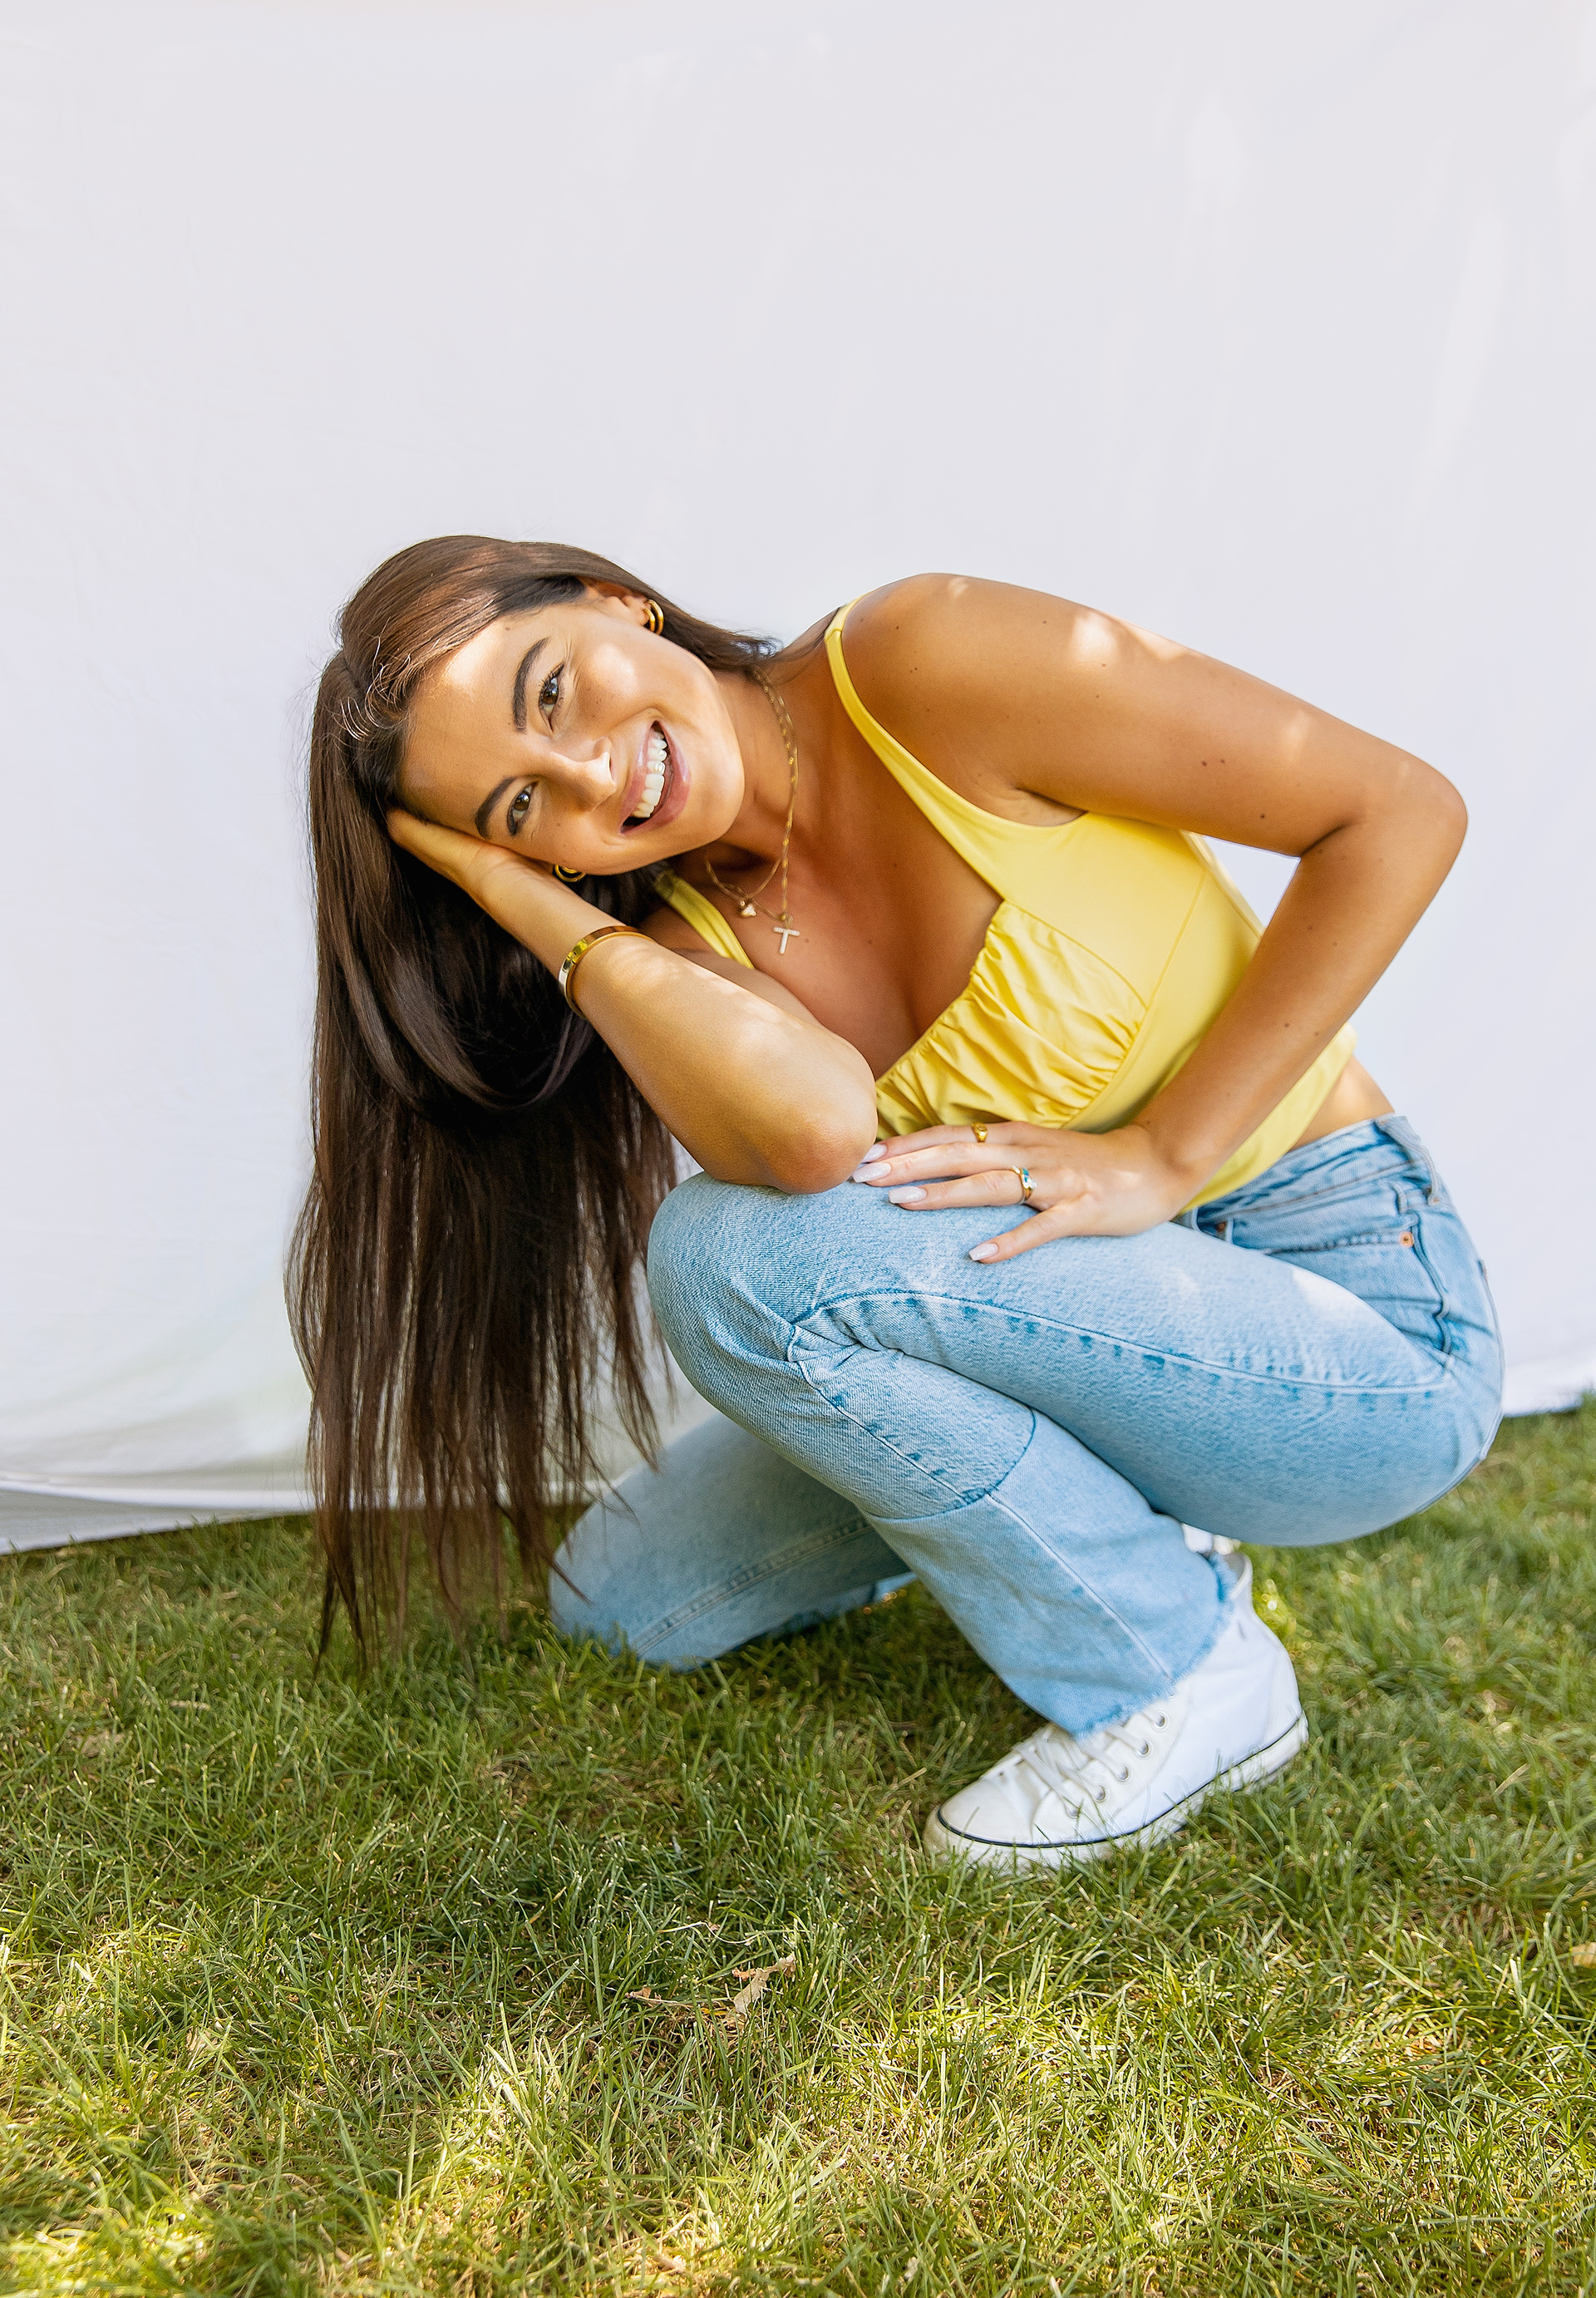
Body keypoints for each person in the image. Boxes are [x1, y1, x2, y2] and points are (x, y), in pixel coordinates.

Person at [293, 535, 1501, 1874]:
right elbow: (816, 1134)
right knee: (620, 1600)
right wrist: (526, 898)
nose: (593, 775)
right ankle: (1109, 1509)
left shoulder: (922, 657)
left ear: (615, 601)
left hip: (1356, 1322)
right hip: (1077, 1341)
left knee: (722, 1259)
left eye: (555, 692)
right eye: (524, 806)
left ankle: (1179, 1669)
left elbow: (1397, 810)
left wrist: (1165, 1152)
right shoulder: (685, 945)